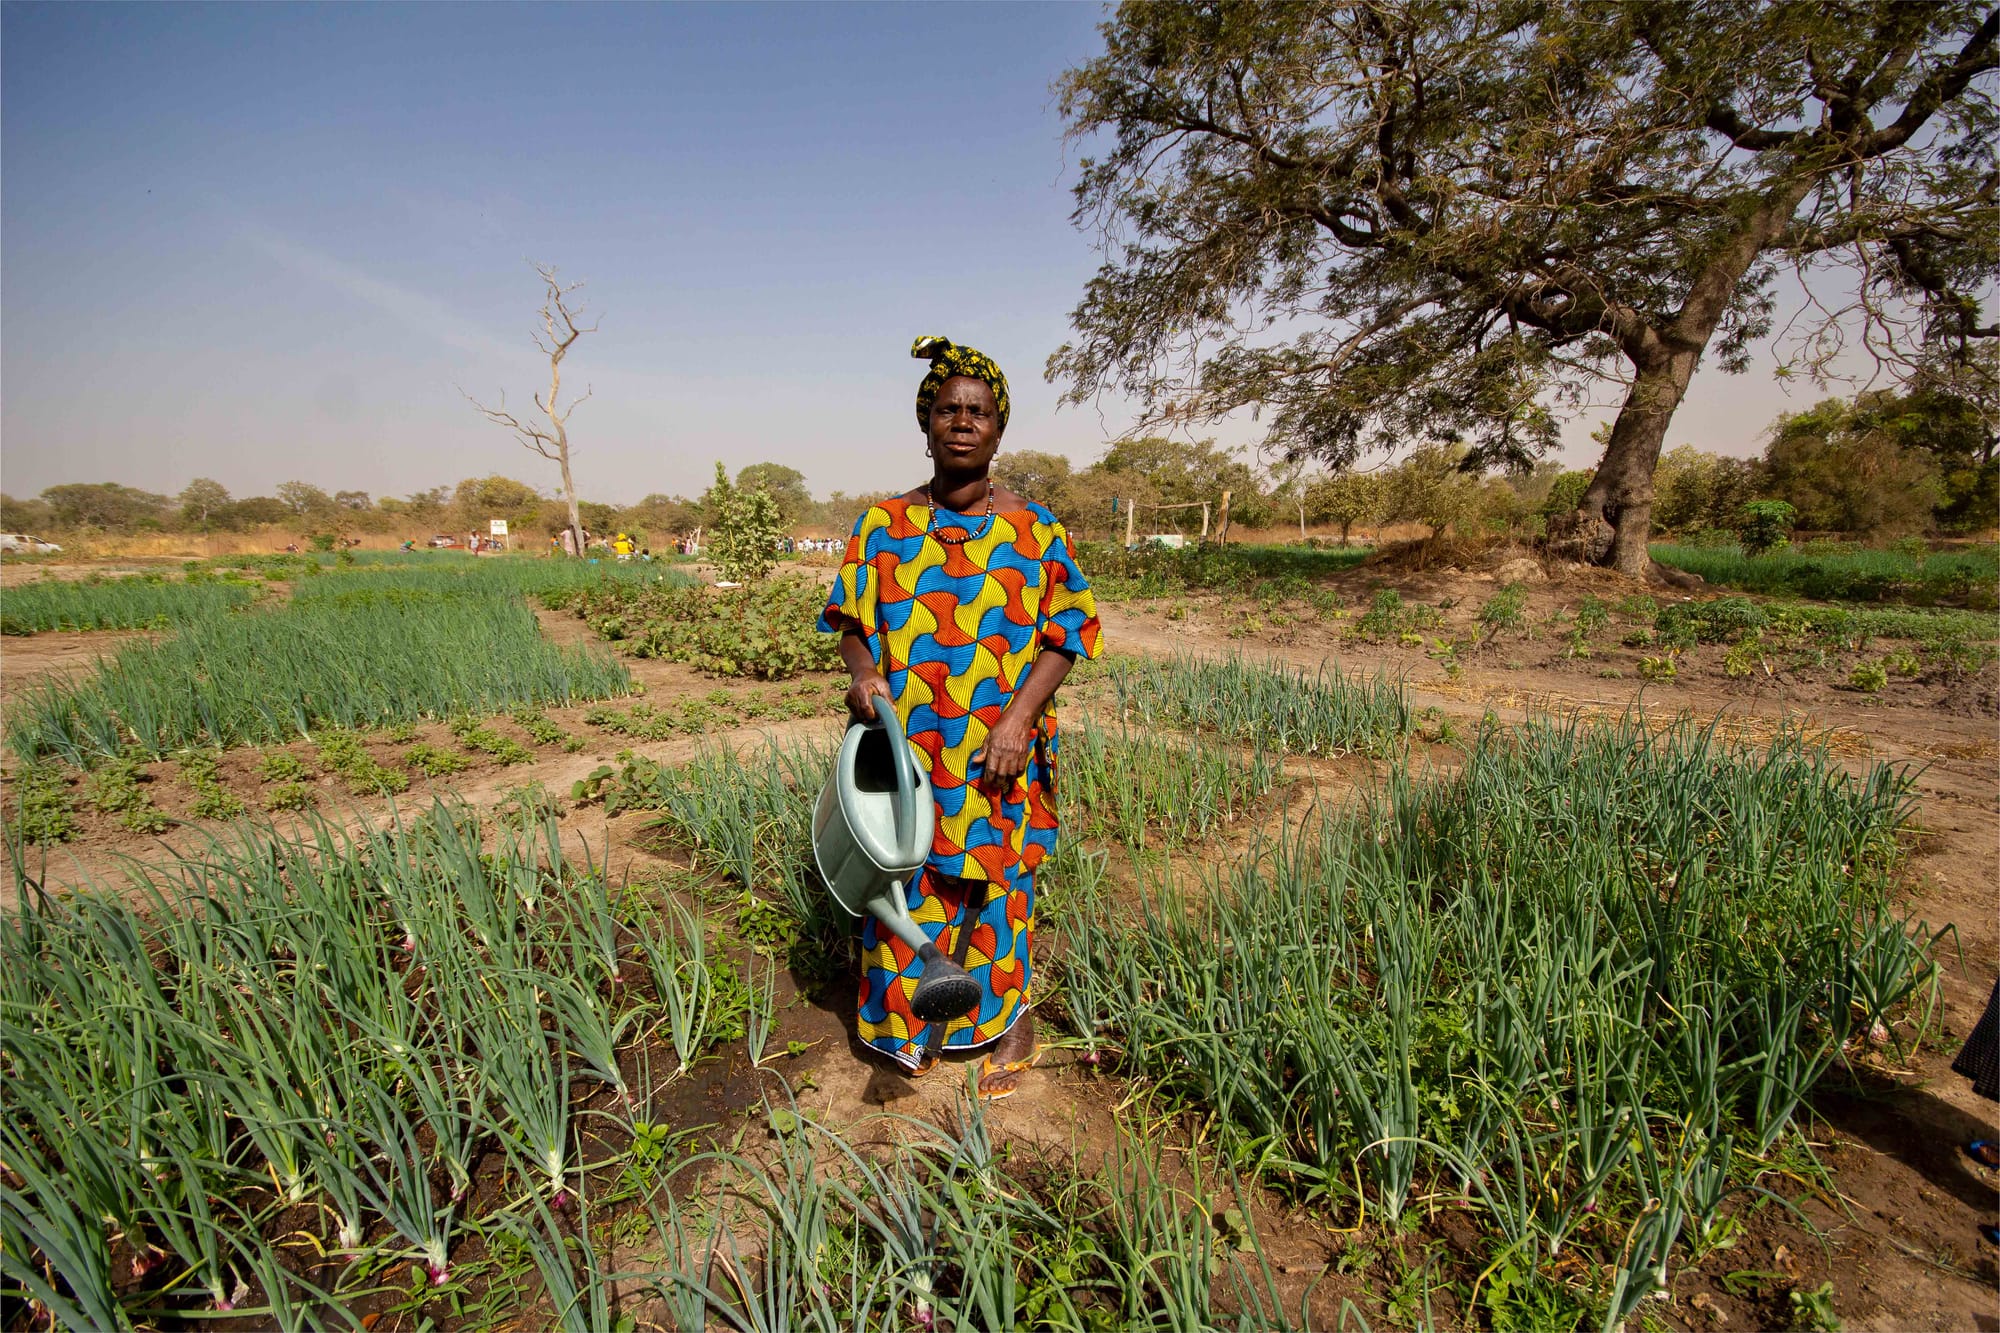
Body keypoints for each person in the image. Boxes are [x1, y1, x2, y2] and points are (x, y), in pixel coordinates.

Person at [820, 335, 1102, 1101]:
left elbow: (1068, 631)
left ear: (1000, 429)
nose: (963, 421)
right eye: (949, 409)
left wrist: (1017, 720)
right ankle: (910, 1024)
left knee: (1000, 881)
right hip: (911, 744)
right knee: (905, 875)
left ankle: (1005, 1019)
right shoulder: (883, 525)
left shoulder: (1036, 531)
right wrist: (864, 672)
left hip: (1000, 744)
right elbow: (850, 617)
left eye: (979, 411)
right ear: (927, 423)